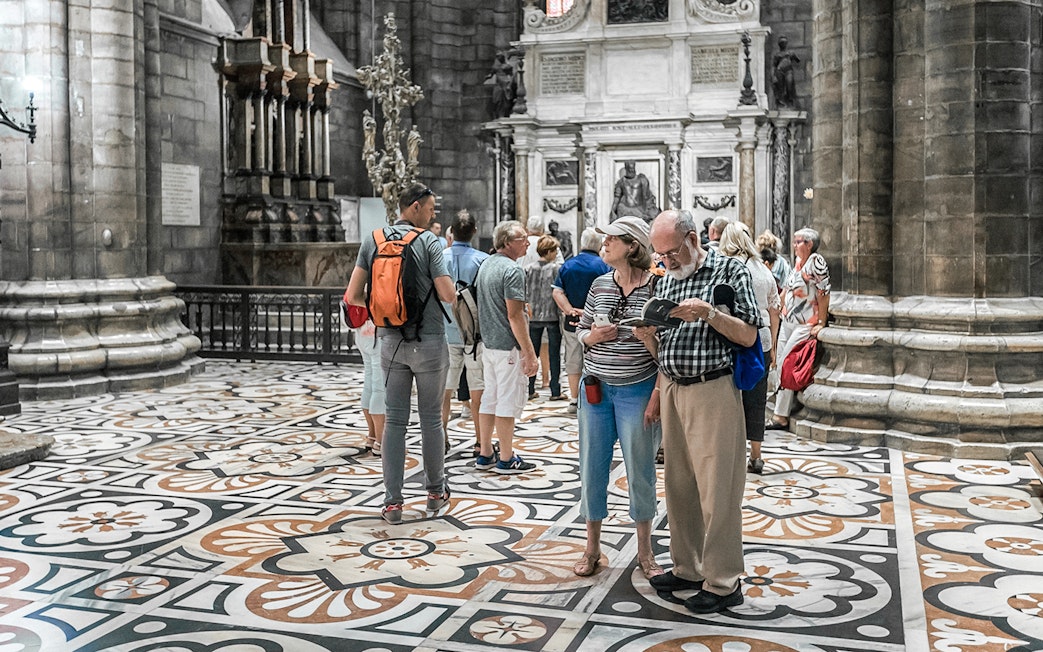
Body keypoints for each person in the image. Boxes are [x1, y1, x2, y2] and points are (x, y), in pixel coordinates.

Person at [637, 209, 760, 614]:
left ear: (692, 239)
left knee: (718, 489)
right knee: (680, 485)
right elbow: (664, 349)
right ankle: (687, 567)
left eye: (671, 253)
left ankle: (724, 581)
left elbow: (748, 333)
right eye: (660, 255)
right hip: (673, 387)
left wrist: (709, 313)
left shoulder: (729, 272)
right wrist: (648, 337)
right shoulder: (665, 280)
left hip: (713, 389)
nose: (666, 262)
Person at [345, 183, 457, 525]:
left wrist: (383, 310)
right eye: (431, 208)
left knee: (394, 421)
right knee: (431, 419)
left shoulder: (373, 239)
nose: (433, 214)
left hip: (390, 343)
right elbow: (448, 294)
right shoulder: (429, 242)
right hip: (430, 342)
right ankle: (435, 491)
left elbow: (353, 295)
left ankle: (393, 502)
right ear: (415, 207)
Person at [572, 216, 663, 580]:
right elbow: (581, 331)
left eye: (612, 239)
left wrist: (647, 340)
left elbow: (666, 352)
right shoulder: (599, 285)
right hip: (596, 389)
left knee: (640, 469)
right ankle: (591, 547)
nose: (604, 243)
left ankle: (645, 551)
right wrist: (591, 338)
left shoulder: (656, 287)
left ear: (632, 246)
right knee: (592, 466)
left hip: (637, 389)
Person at [474, 221, 540, 474]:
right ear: (507, 242)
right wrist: (529, 353)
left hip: (489, 344)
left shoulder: (486, 264)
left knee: (489, 398)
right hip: (507, 347)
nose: (527, 242)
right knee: (506, 402)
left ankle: (485, 453)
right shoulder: (512, 270)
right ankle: (506, 457)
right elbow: (515, 316)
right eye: (522, 238)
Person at [719, 222, 781, 474]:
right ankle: (756, 455)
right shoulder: (763, 270)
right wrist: (774, 344)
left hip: (732, 339)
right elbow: (775, 310)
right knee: (756, 398)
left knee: (728, 396)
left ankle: (730, 452)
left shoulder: (724, 268)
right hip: (762, 341)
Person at [768, 227, 830, 430]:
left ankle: (781, 416)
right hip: (788, 320)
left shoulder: (816, 262)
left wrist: (821, 322)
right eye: (794, 242)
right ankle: (781, 410)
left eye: (798, 242)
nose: (794, 246)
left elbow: (823, 292)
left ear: (809, 244)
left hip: (805, 323)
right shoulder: (796, 264)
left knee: (787, 362)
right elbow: (787, 289)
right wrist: (779, 305)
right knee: (779, 364)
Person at [441, 210, 489, 457]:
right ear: (474, 232)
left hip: (445, 331)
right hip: (474, 335)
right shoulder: (482, 260)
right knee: (477, 390)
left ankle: (442, 437)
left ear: (451, 232)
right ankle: (481, 443)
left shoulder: (440, 257)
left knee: (444, 390)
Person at [552, 228, 610, 414]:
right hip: (597, 321)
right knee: (597, 358)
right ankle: (595, 397)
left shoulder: (568, 265)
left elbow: (557, 291)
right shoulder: (603, 266)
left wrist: (570, 310)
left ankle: (574, 398)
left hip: (573, 320)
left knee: (573, 358)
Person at [525, 235, 565, 400]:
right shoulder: (556, 269)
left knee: (532, 353)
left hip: (533, 316)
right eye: (555, 250)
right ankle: (555, 390)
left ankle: (529, 388)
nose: (556, 254)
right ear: (548, 251)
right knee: (554, 354)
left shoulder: (528, 269)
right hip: (551, 316)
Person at [351, 311, 385, 457]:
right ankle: (381, 441)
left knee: (369, 382)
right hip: (376, 332)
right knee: (379, 387)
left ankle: (371, 436)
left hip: (362, 331)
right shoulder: (376, 286)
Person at [771, 35, 800, 109]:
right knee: (780, 88)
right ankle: (782, 102)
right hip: (779, 71)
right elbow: (774, 66)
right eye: (781, 43)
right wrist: (774, 76)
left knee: (789, 85)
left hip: (788, 71)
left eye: (784, 42)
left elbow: (798, 60)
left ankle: (790, 101)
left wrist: (794, 56)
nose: (783, 44)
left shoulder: (790, 53)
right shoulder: (777, 55)